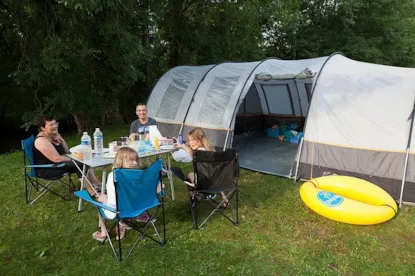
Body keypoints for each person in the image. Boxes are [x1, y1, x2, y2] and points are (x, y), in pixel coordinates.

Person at [92, 147, 162, 242]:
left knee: (100, 200)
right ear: (121, 160)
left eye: (136, 160)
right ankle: (137, 218)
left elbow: (113, 201)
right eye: (131, 160)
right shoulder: (139, 175)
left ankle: (103, 233)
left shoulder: (112, 175)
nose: (134, 163)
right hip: (140, 207)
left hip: (119, 211)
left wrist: (104, 198)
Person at [33, 115, 101, 198]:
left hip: (56, 165)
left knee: (82, 162)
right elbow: (56, 158)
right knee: (80, 164)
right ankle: (93, 192)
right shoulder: (41, 140)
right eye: (51, 125)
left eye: (55, 123)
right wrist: (76, 158)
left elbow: (66, 151)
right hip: (48, 169)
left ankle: (95, 183)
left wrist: (61, 139)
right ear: (43, 128)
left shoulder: (53, 135)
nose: (55, 126)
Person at [173, 128, 229, 207]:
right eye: (190, 140)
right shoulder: (208, 148)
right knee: (212, 176)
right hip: (217, 181)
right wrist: (183, 146)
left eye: (193, 140)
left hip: (206, 184)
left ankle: (198, 196)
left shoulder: (200, 152)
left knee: (190, 175)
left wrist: (183, 147)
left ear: (200, 140)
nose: (191, 143)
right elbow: (192, 154)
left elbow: (193, 154)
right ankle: (224, 197)